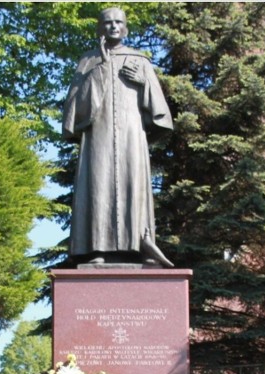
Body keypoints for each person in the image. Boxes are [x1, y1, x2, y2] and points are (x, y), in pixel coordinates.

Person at [63, 7, 174, 267]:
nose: (113, 27)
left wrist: (144, 83)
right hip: (98, 138)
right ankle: (97, 248)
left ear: (125, 28)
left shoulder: (140, 61)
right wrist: (101, 68)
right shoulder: (88, 62)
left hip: (131, 137)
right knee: (98, 186)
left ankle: (140, 245)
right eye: (108, 23)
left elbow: (161, 112)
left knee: (132, 185)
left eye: (118, 22)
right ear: (100, 29)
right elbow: (74, 109)